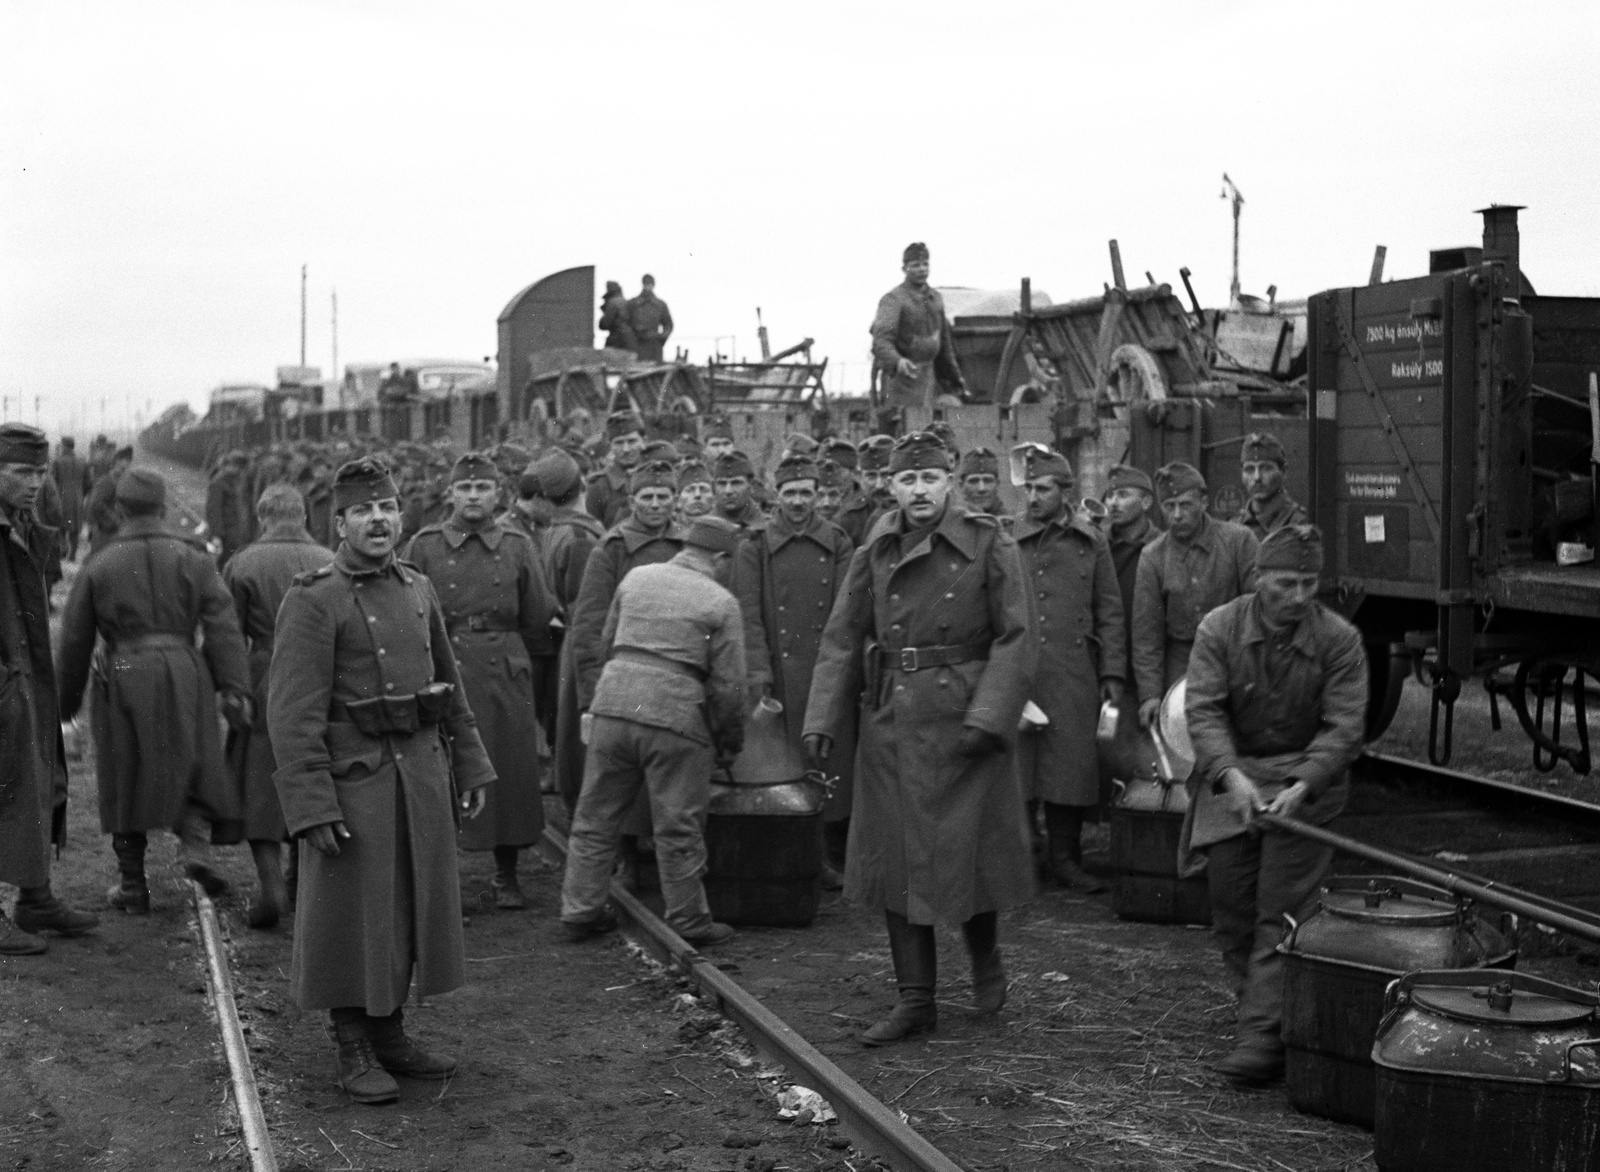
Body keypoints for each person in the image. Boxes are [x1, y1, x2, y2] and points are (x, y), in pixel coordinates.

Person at [268, 456, 496, 1105]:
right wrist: (311, 803)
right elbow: (291, 713)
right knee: (352, 915)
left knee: (403, 909)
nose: (379, 520)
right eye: (363, 511)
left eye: (388, 508)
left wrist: (472, 762)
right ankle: (353, 1044)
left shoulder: (418, 588)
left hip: (418, 776)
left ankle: (390, 1031)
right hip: (355, 783)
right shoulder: (314, 599)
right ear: (338, 523)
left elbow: (449, 687)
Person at [803, 432, 1036, 1045]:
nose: (919, 491)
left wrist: (990, 715)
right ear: (890, 485)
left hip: (965, 720)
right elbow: (842, 636)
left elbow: (1017, 636)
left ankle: (984, 958)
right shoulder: (876, 547)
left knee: (969, 850)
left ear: (950, 479)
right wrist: (822, 719)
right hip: (894, 721)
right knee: (897, 861)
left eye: (931, 478)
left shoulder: (989, 541)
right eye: (908, 481)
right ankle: (916, 1000)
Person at [1184, 525, 1367, 1083]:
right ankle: (1266, 1010)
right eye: (1286, 583)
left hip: (1303, 791)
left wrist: (1304, 782)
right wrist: (1229, 775)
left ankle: (1262, 1035)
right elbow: (1204, 710)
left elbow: (1344, 727)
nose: (1300, 596)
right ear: (1259, 578)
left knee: (1280, 911)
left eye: (1310, 583)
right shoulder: (1219, 628)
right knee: (1232, 907)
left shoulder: (1340, 639)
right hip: (1233, 782)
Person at [57, 468, 254, 912]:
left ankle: (132, 884)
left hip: (124, 664)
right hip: (186, 664)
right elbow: (222, 625)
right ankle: (198, 850)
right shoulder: (195, 557)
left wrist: (67, 706)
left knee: (124, 766)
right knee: (195, 755)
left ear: (120, 509)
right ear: (163, 508)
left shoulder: (100, 563)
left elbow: (74, 640)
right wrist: (234, 686)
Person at [560, 515, 747, 945]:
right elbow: (729, 687)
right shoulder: (720, 602)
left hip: (615, 704)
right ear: (719, 558)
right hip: (675, 717)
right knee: (678, 824)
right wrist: (728, 743)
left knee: (594, 815)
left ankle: (579, 910)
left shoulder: (636, 577)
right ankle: (690, 920)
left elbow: (607, 642)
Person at [405, 453, 557, 909]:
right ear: (451, 494)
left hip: (502, 669)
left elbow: (537, 611)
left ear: (499, 494)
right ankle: (439, 881)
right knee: (438, 769)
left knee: (507, 768)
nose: (473, 497)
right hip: (442, 662)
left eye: (483, 489)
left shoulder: (517, 544)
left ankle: (506, 875)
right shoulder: (425, 545)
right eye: (465, 489)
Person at [733, 455, 856, 888]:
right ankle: (791, 856)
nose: (799, 502)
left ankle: (826, 853)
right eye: (790, 493)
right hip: (780, 678)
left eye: (807, 492)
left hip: (825, 670)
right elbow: (748, 617)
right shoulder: (755, 545)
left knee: (829, 761)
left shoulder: (838, 542)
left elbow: (847, 610)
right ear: (776, 495)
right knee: (783, 768)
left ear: (819, 494)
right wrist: (758, 675)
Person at [0, 425, 99, 955]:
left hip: (27, 681)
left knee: (35, 785)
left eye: (40, 472)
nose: (36, 482)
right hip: (7, 682)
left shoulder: (25, 526)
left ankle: (35, 897)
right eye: (21, 472)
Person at [1011, 447, 1125, 891]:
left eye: (1043, 489)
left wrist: (1112, 674)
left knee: (1069, 766)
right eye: (1030, 488)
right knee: (1018, 767)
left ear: (1065, 492)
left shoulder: (1091, 541)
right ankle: (1021, 857)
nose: (1034, 497)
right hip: (1020, 668)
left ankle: (1064, 857)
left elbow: (1109, 610)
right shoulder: (1007, 538)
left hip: (1072, 669)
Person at [222, 483, 336, 928]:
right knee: (314, 769)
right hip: (324, 675)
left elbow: (229, 634)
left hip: (265, 673)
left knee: (260, 781)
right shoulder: (331, 560)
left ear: (262, 517)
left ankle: (270, 886)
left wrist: (232, 689)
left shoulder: (242, 562)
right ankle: (299, 881)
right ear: (304, 517)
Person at [559, 460, 685, 823]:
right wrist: (592, 695)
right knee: (625, 774)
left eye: (664, 496)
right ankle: (628, 853)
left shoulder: (686, 544)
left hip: (674, 671)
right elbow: (589, 626)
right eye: (648, 496)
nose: (656, 504)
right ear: (632, 500)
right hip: (626, 675)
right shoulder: (611, 549)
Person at [1133, 463, 1259, 732]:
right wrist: (1151, 695)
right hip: (1181, 665)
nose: (1176, 515)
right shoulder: (1153, 557)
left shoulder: (1239, 541)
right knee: (1184, 746)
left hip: (1234, 660)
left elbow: (1260, 610)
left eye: (1185, 505)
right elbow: (1147, 635)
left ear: (1203, 502)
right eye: (1168, 506)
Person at [1099, 464, 1161, 784]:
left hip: (1144, 667)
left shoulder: (1160, 549)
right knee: (1105, 738)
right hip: (1107, 663)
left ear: (1147, 502)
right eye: (1110, 495)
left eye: (1123, 495)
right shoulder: (1097, 546)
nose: (1113, 503)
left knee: (1142, 748)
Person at [870, 243, 968, 409]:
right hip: (901, 382)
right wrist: (898, 361)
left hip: (930, 379)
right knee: (905, 429)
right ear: (904, 269)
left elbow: (945, 346)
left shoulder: (935, 298)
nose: (922, 269)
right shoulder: (893, 299)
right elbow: (881, 341)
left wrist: (956, 379)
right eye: (915, 265)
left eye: (925, 264)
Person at [1234, 432, 1309, 539]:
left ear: (1283, 471)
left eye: (1266, 468)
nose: (1257, 477)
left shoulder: (1299, 524)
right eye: (1249, 469)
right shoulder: (1234, 527)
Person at [585, 410, 646, 529]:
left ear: (644, 441)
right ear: (610, 445)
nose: (626, 449)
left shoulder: (657, 474)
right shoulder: (598, 485)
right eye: (619, 443)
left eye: (632, 441)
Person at [206, 450, 255, 566]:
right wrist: (216, 535)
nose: (241, 472)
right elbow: (214, 511)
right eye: (240, 468)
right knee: (226, 564)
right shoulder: (218, 483)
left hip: (236, 532)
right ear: (233, 465)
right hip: (226, 534)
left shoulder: (234, 480)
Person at [85, 445, 133, 556]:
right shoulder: (107, 481)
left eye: (129, 461)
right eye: (124, 461)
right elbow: (96, 505)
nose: (127, 465)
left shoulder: (120, 480)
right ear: (117, 461)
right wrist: (115, 520)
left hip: (114, 532)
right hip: (104, 532)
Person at [50, 436, 91, 562]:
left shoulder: (57, 461)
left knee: (60, 525)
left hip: (61, 498)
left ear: (65, 446)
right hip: (78, 499)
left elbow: (52, 482)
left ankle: (63, 549)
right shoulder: (82, 461)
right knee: (75, 528)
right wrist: (81, 494)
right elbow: (88, 483)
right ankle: (72, 554)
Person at [711, 450, 765, 533]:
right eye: (722, 483)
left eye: (736, 483)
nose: (728, 491)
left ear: (751, 486)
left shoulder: (768, 528)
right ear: (714, 487)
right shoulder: (703, 527)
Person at [625, 274, 674, 363]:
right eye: (646, 283)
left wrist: (661, 338)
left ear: (653, 285)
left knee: (656, 373)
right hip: (637, 344)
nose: (647, 286)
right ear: (642, 284)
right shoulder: (632, 304)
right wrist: (631, 340)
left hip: (654, 345)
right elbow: (624, 323)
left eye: (650, 284)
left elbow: (668, 324)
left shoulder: (660, 305)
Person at [956, 447, 1007, 519]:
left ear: (997, 484)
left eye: (988, 481)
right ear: (962, 485)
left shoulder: (1011, 525)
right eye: (973, 481)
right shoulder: (953, 524)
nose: (981, 488)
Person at [599, 280, 637, 353]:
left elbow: (604, 324)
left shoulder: (612, 302)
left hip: (616, 339)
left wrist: (604, 312)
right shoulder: (626, 302)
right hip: (630, 340)